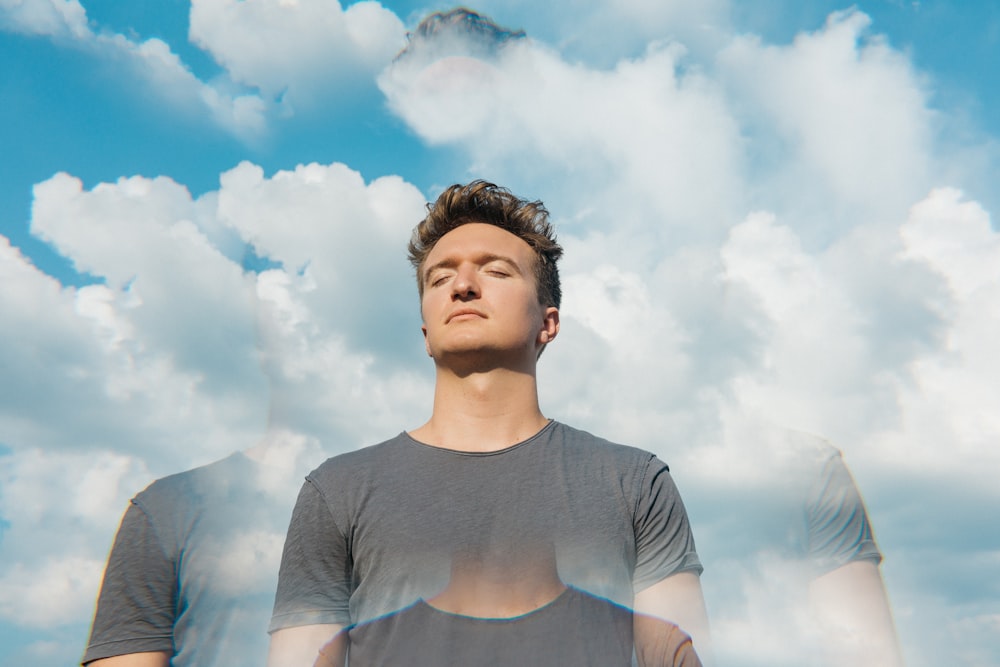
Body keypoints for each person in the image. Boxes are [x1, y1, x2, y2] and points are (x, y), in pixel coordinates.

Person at [266, 181, 710, 666]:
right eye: (439, 279)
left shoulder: (635, 484)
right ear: (426, 333)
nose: (462, 286)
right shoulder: (337, 491)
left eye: (496, 271)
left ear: (548, 322)